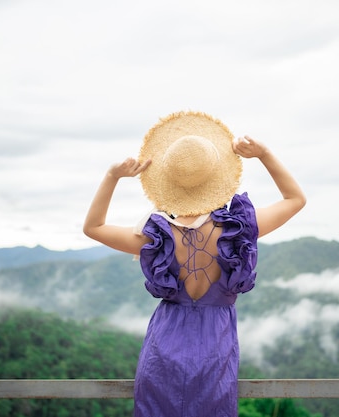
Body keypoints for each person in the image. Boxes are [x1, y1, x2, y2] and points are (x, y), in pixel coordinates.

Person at [83, 111, 306, 417]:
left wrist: (112, 176)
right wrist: (264, 154)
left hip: (163, 351)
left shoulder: (156, 236)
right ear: (215, 176)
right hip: (216, 351)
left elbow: (93, 227)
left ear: (170, 180)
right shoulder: (237, 230)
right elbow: (295, 199)